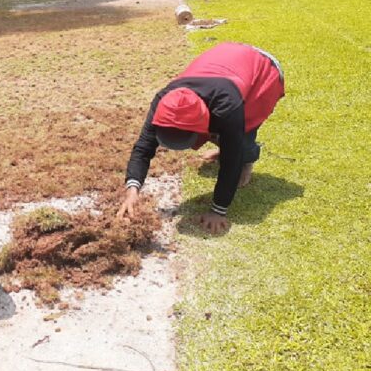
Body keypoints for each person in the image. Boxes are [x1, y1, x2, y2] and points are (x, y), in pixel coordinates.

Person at [117, 42, 285, 234]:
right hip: (226, 62)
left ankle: (249, 157)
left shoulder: (227, 105)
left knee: (239, 139)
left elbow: (232, 159)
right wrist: (132, 191)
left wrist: (218, 210)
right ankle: (222, 139)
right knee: (226, 130)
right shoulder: (162, 101)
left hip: (264, 69)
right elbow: (143, 148)